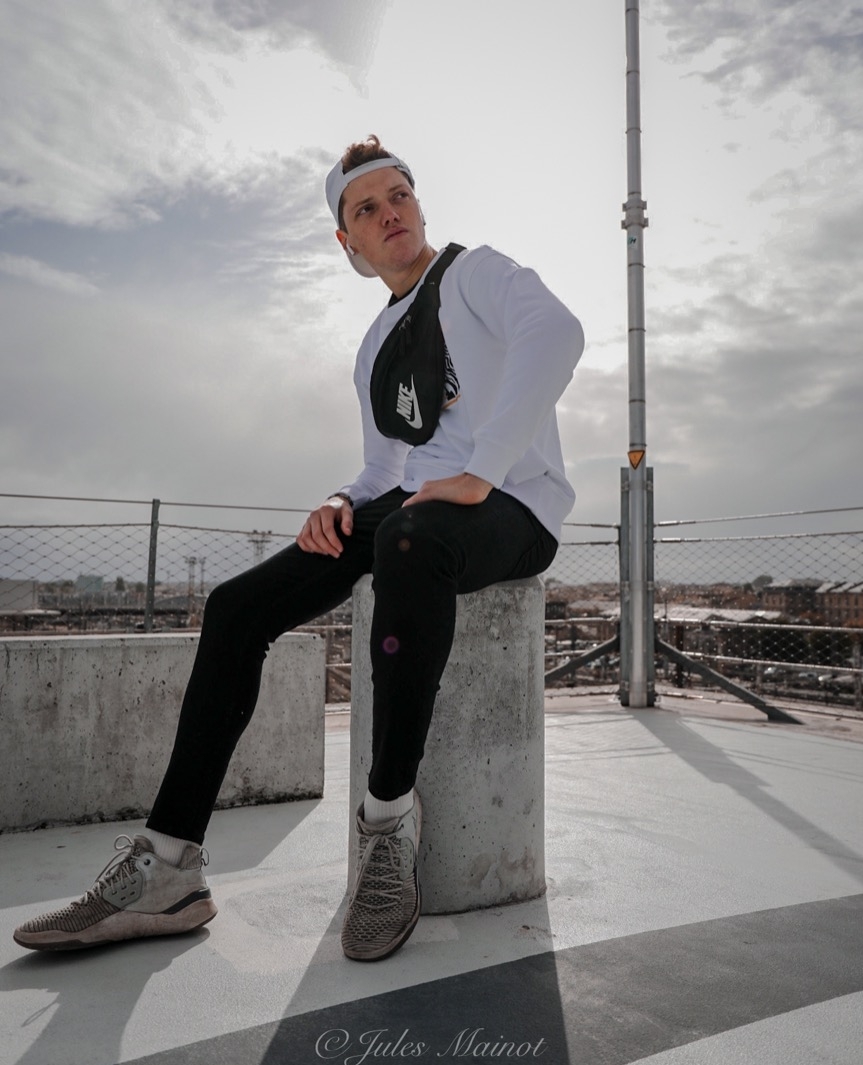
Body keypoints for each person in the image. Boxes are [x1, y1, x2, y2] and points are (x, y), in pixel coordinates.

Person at [14, 136, 584, 962]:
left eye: (399, 196)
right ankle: (169, 866)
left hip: (512, 505)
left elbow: (556, 333)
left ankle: (387, 824)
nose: (389, 213)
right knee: (236, 606)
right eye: (366, 208)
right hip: (415, 509)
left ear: (418, 204)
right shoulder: (374, 346)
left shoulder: (476, 273)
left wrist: (482, 470)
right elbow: (384, 467)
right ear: (346, 241)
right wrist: (340, 500)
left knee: (408, 539)